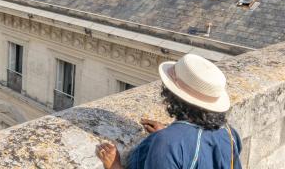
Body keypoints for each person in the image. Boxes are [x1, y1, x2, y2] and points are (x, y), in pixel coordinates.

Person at [96, 54, 241, 169]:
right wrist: (170, 133)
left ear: (173, 95)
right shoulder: (229, 133)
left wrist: (114, 166)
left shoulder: (166, 143)